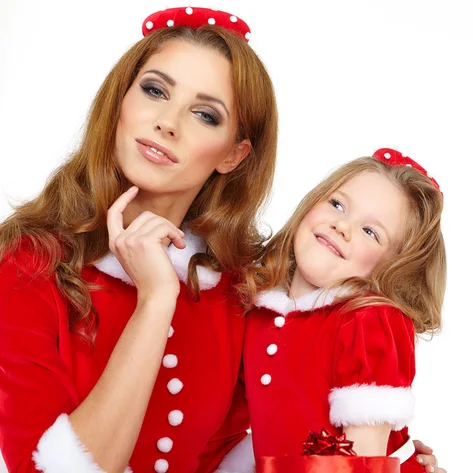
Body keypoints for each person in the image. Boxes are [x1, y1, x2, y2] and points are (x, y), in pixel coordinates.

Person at [0, 6, 445, 472]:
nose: (167, 122)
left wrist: (394, 459)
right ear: (119, 102)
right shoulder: (32, 262)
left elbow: (310, 413)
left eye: (205, 115)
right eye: (154, 90)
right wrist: (155, 300)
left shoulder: (245, 285)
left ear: (233, 154)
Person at [234, 149, 445, 472]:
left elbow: (364, 461)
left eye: (370, 232)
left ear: (391, 268)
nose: (342, 226)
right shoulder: (259, 308)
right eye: (337, 204)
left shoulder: (368, 321)